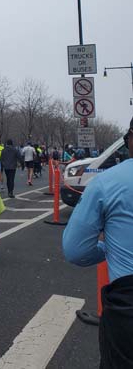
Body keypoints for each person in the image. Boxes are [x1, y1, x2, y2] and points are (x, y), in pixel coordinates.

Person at [63, 121, 133, 367]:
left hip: (127, 304)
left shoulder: (106, 183)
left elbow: (76, 250)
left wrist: (107, 248)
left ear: (129, 141)